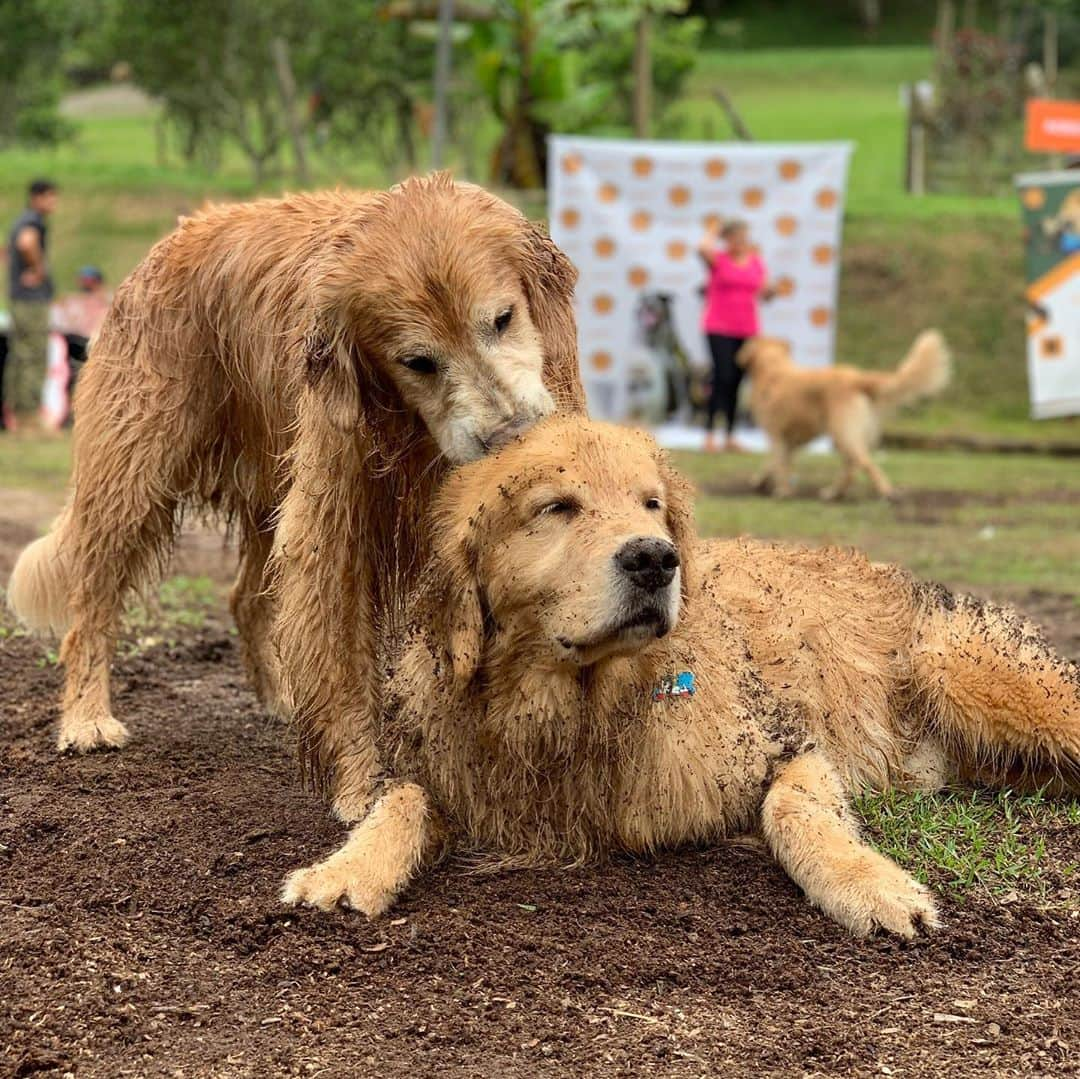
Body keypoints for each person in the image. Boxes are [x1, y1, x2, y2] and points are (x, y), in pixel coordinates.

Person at [698, 218, 774, 452]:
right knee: (722, 377)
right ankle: (710, 433)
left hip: (747, 330)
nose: (741, 243)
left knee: (737, 382)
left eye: (744, 238)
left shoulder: (756, 263)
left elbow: (764, 292)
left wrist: (771, 292)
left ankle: (730, 434)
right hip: (719, 327)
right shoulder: (719, 261)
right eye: (736, 238)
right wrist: (714, 230)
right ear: (727, 239)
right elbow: (702, 248)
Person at [5, 179, 58, 431]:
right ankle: (28, 418)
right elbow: (27, 242)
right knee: (33, 354)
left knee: (19, 355)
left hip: (19, 299)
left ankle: (15, 414)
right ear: (36, 198)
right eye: (50, 197)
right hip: (31, 301)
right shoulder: (32, 221)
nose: (53, 202)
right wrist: (38, 270)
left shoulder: (21, 220)